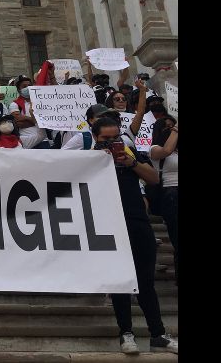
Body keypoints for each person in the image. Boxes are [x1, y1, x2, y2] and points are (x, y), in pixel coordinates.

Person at [90, 117, 177, 355]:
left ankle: (158, 334)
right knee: (120, 281)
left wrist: (130, 162)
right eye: (105, 139)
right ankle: (125, 333)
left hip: (137, 220)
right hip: (108, 224)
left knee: (145, 281)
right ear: (95, 137)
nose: (111, 142)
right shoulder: (87, 159)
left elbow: (153, 178)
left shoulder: (130, 154)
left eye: (115, 137)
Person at [149, 116, 178, 285]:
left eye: (172, 126)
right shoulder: (154, 149)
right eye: (166, 127)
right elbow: (166, 151)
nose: (171, 129)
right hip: (171, 193)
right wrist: (175, 130)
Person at [9, 75, 48, 149]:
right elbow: (18, 122)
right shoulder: (14, 104)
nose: (27, 88)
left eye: (29, 85)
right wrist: (37, 121)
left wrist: (26, 119)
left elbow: (46, 120)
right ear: (18, 89)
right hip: (27, 142)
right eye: (24, 86)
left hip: (43, 140)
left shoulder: (40, 102)